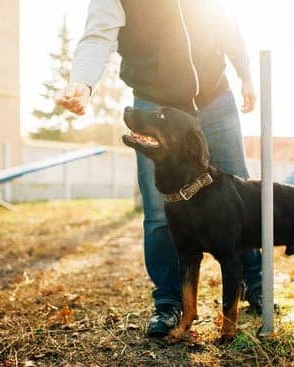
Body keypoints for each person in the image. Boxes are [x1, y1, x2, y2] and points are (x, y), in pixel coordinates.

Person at [56, 0, 262, 337]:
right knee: (159, 210)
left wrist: (246, 75)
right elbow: (98, 36)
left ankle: (255, 284)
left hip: (215, 96)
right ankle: (169, 302)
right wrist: (83, 81)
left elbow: (225, 20)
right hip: (156, 103)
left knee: (241, 194)